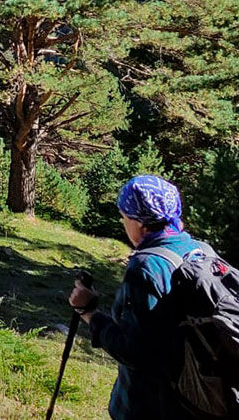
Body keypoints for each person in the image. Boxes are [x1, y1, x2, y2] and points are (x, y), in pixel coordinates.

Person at [67, 175, 203, 420]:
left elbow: (136, 352)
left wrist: (89, 312)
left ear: (140, 222)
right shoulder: (202, 252)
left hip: (152, 407)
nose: (123, 223)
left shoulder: (146, 266)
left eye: (124, 217)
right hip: (198, 403)